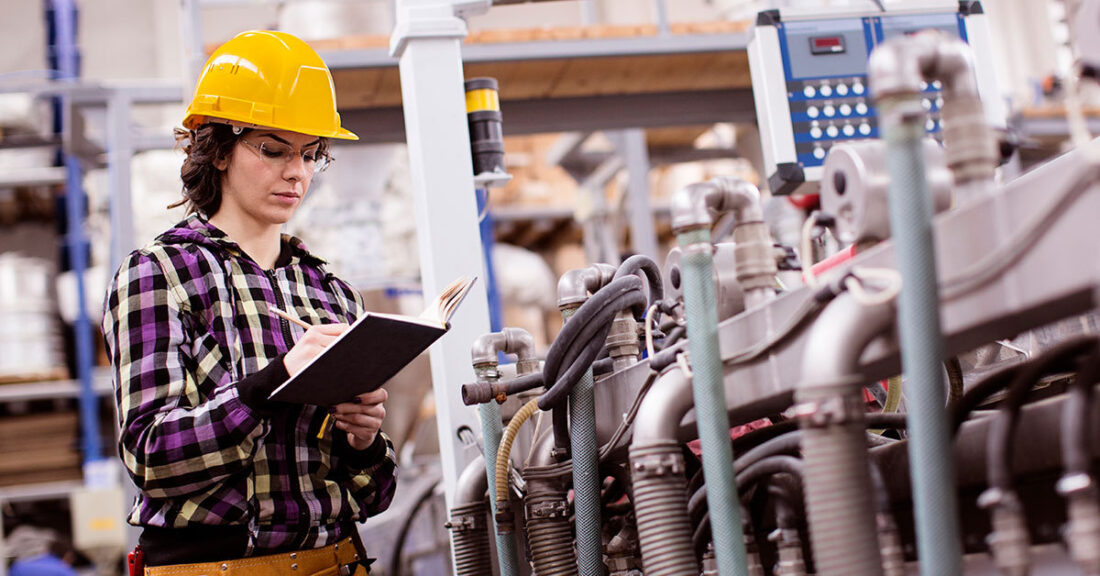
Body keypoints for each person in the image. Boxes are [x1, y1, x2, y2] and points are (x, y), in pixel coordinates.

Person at [102, 30, 397, 575]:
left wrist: (363, 441)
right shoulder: (159, 276)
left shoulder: (331, 294)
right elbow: (151, 458)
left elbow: (377, 497)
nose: (297, 172)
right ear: (216, 150)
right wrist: (272, 384)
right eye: (273, 149)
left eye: (311, 154)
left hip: (334, 562)